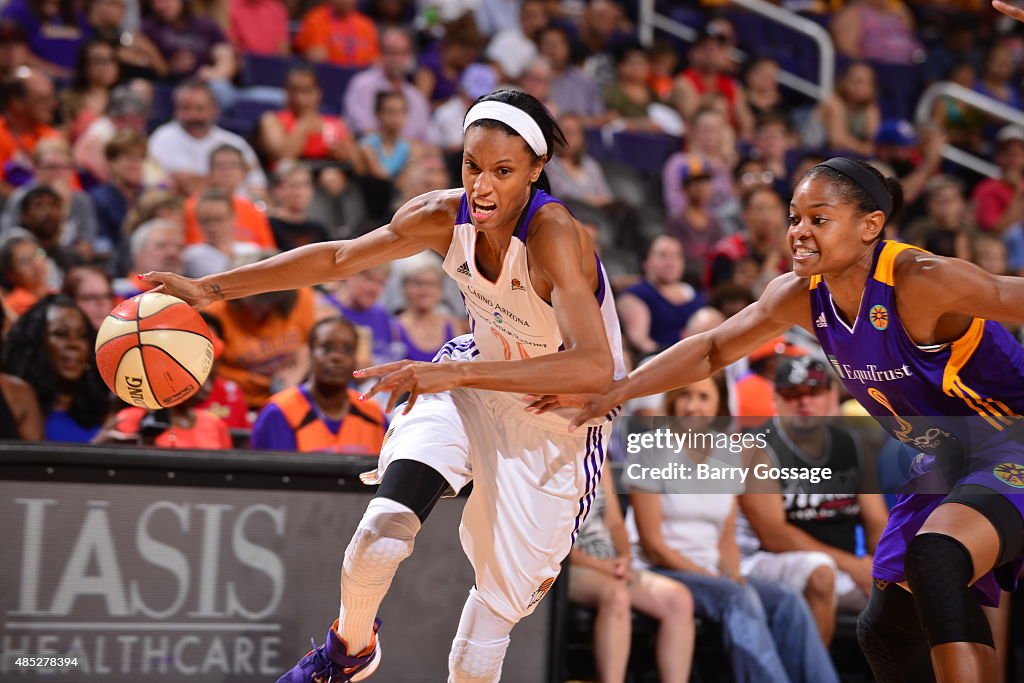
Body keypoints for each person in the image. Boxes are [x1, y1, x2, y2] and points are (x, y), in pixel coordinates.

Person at [142, 89, 624, 683]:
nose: (483, 187)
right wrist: (212, 289)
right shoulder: (442, 216)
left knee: (479, 648)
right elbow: (339, 257)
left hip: (559, 426)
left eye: (503, 171)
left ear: (536, 169)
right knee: (380, 531)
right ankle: (348, 651)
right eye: (473, 166)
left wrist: (455, 372)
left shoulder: (556, 235)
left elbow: (595, 368)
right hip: (470, 382)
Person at [556, 157, 1024, 683]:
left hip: (1010, 440)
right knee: (885, 630)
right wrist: (620, 390)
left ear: (870, 226)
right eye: (794, 217)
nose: (799, 232)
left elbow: (1013, 295)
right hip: (944, 458)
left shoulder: (922, 280)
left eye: (818, 219)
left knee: (936, 558)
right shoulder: (799, 295)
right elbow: (711, 350)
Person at [624, 373, 840, 682]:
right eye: (685, 396)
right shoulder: (650, 451)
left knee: (785, 600)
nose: (692, 406)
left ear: (718, 405)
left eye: (703, 397)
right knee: (738, 597)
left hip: (711, 573)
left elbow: (727, 538)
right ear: (671, 402)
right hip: (660, 570)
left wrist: (733, 574)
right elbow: (652, 545)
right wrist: (715, 579)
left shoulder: (726, 454)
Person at [738, 356, 890, 643]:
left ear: (832, 395)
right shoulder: (757, 447)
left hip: (842, 567)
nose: (804, 402)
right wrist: (853, 565)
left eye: (814, 392)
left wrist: (886, 570)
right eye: (792, 394)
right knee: (821, 574)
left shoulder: (854, 445)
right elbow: (773, 534)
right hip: (768, 562)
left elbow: (877, 522)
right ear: (776, 399)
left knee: (912, 589)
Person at [569, 459, 695, 683]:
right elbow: (547, 540)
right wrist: (601, 566)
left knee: (679, 598)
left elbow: (616, 523)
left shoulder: (598, 458)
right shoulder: (543, 454)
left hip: (609, 561)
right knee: (617, 594)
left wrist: (624, 558)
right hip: (567, 565)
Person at [251, 316, 386, 454]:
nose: (336, 357)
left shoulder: (374, 414)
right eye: (327, 348)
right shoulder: (278, 412)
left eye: (347, 349)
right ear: (309, 355)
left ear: (354, 359)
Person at [4, 294, 109, 442]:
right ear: (36, 344)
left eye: (82, 335)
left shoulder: (105, 403)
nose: (74, 344)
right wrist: (97, 449)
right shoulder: (17, 402)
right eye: (60, 334)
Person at [258, 66, 363, 171]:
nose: (300, 98)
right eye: (294, 91)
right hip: (291, 180)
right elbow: (283, 156)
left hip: (329, 176)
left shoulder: (337, 123)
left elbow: (359, 167)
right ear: (286, 93)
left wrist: (345, 155)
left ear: (318, 93)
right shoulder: (272, 120)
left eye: (306, 91)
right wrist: (304, 124)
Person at [617, 235, 705, 357]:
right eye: (663, 255)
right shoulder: (636, 295)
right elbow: (641, 341)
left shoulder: (695, 293)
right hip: (659, 361)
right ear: (646, 262)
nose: (671, 263)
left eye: (677, 256)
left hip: (699, 357)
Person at [393, 253, 465, 362]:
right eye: (418, 283)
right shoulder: (394, 329)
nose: (424, 290)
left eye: (431, 284)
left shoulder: (454, 326)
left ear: (440, 289)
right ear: (404, 287)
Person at [0, 230, 51, 316]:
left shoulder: (55, 294)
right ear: (10, 274)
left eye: (38, 253)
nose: (36, 264)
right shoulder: (14, 306)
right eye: (24, 261)